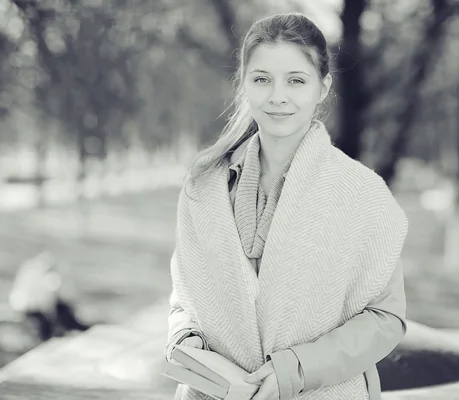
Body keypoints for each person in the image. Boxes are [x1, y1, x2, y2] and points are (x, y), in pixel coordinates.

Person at [165, 12, 409, 400]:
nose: (278, 96)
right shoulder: (203, 186)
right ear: (244, 84)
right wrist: (185, 338)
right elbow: (186, 296)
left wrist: (295, 369)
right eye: (262, 79)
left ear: (323, 86)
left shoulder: (362, 194)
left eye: (296, 81)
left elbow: (385, 319)